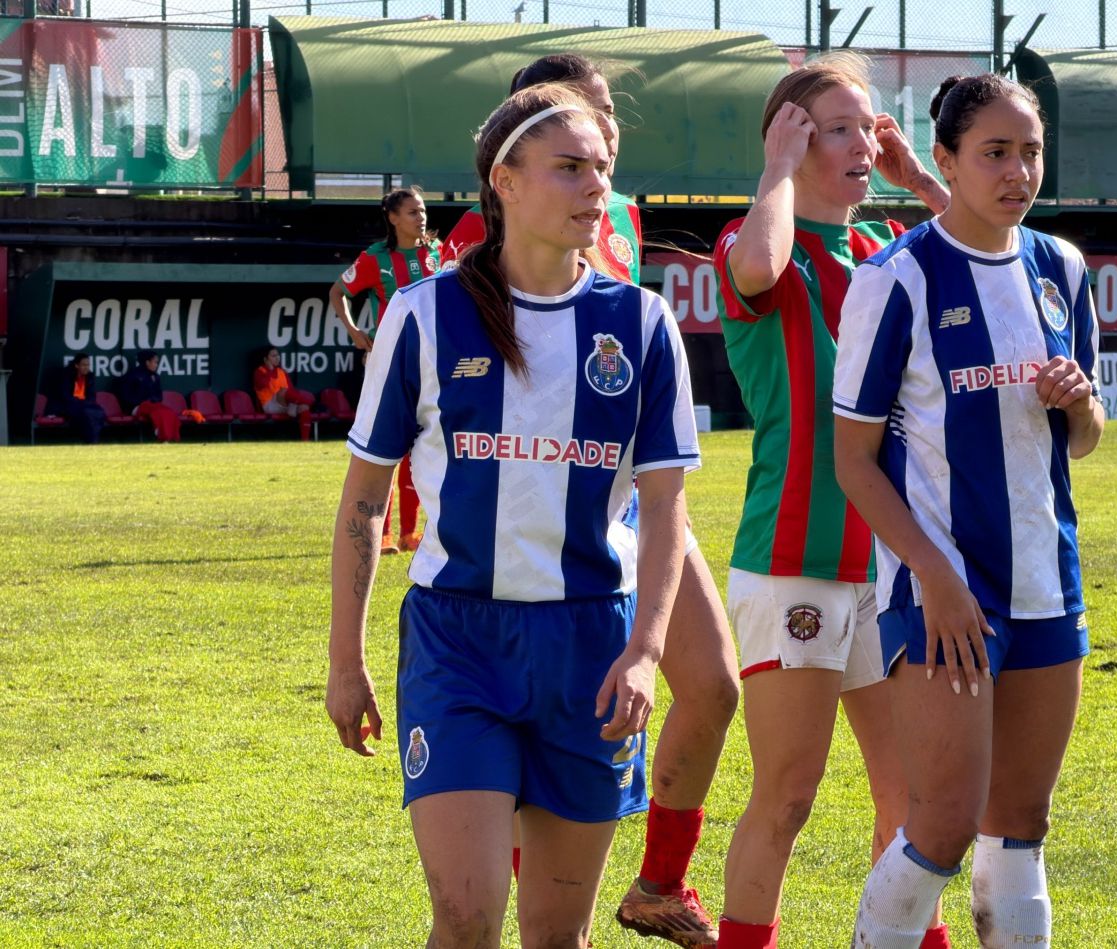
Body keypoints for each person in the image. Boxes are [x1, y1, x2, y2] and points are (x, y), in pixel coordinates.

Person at [325, 83, 701, 949]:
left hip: (589, 650)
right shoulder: (424, 316)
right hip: (457, 645)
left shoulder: (640, 324)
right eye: (568, 168)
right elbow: (363, 499)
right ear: (505, 180)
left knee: (555, 934)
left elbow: (666, 507)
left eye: (600, 169)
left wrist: (645, 654)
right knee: (464, 916)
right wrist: (344, 660)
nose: (593, 187)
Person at [445, 53, 739, 947]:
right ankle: (551, 872)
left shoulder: (616, 215)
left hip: (631, 501)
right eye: (583, 117)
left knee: (716, 686)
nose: (604, 132)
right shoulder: (483, 237)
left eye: (610, 119)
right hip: (536, 512)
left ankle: (657, 880)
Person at [833, 74, 1104, 948]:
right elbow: (853, 462)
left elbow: (1086, 438)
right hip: (942, 584)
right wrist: (933, 576)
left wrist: (1078, 402)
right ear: (944, 160)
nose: (1017, 171)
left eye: (1030, 152)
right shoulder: (896, 280)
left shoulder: (1060, 267)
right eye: (994, 152)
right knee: (942, 823)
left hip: (1044, 579)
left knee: (1021, 818)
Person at [712, 52, 953, 949]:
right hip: (792, 565)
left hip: (890, 566)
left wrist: (921, 178)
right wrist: (775, 170)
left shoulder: (878, 255)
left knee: (914, 804)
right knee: (786, 796)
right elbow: (755, 267)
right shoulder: (755, 244)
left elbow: (992, 259)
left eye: (871, 124)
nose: (865, 143)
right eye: (840, 128)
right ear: (792, 136)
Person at [440, 54, 641, 286]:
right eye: (582, 113)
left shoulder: (625, 211)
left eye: (608, 112)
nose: (605, 128)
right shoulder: (476, 226)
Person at [330, 186, 441, 554]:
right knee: (387, 446)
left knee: (424, 447)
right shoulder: (373, 259)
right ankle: (386, 534)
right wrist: (356, 332)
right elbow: (337, 292)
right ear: (393, 218)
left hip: (436, 361)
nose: (421, 217)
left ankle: (412, 533)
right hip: (389, 360)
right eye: (412, 212)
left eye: (422, 210)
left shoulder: (439, 254)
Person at [253, 347, 316, 442]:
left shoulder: (282, 372)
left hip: (284, 403)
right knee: (283, 391)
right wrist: (270, 370)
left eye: (277, 355)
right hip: (269, 405)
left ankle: (305, 441)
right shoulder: (260, 371)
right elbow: (262, 385)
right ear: (265, 359)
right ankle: (311, 402)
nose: (277, 358)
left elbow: (291, 390)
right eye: (273, 356)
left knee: (304, 407)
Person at [120, 350, 181, 443]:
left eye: (157, 362)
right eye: (155, 362)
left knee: (169, 411)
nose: (156, 365)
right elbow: (126, 396)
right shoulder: (132, 375)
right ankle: (162, 437)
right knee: (158, 412)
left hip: (153, 405)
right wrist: (142, 401)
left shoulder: (155, 376)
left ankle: (172, 437)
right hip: (137, 407)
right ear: (147, 362)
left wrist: (153, 400)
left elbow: (159, 396)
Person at [52, 353, 107, 444]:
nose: (86, 367)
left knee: (99, 411)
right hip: (69, 405)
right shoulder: (67, 375)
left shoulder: (90, 376)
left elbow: (92, 395)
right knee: (86, 413)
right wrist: (79, 402)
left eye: (88, 365)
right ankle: (91, 440)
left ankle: (92, 439)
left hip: (85, 404)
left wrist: (85, 402)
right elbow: (65, 396)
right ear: (77, 365)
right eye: (84, 365)